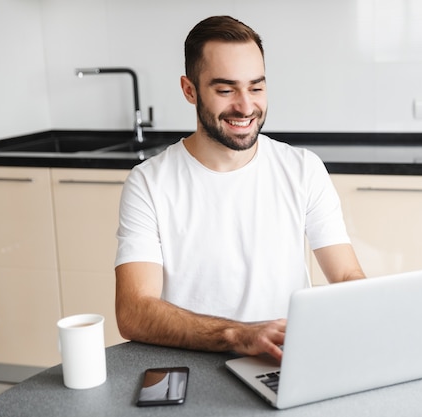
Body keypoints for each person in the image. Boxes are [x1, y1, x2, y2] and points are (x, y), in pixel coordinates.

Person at [114, 15, 365, 362]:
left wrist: (369, 310)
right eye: (225, 89)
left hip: (283, 361)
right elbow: (134, 312)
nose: (246, 107)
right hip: (193, 363)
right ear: (190, 90)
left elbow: (346, 274)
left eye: (256, 87)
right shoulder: (149, 183)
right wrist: (240, 335)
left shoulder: (303, 169)